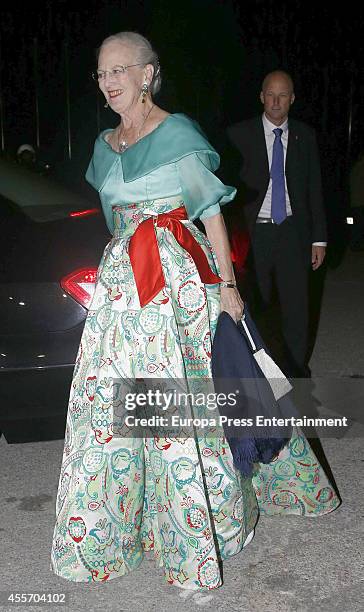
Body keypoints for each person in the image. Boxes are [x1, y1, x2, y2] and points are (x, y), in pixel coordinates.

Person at [51, 38, 340, 590]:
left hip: (177, 283)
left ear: (148, 74)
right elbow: (114, 221)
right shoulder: (105, 142)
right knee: (112, 405)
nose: (109, 81)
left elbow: (210, 213)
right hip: (123, 288)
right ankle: (114, 528)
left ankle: (200, 534)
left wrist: (228, 290)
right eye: (101, 72)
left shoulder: (178, 133)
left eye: (120, 70)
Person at [227, 70, 327, 378]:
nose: (276, 101)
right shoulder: (238, 135)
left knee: (296, 306)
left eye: (282, 95)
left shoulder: (305, 136)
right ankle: (257, 371)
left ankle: (296, 369)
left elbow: (314, 188)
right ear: (261, 96)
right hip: (254, 233)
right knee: (254, 305)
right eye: (270, 94)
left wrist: (319, 239)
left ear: (292, 99)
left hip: (293, 232)